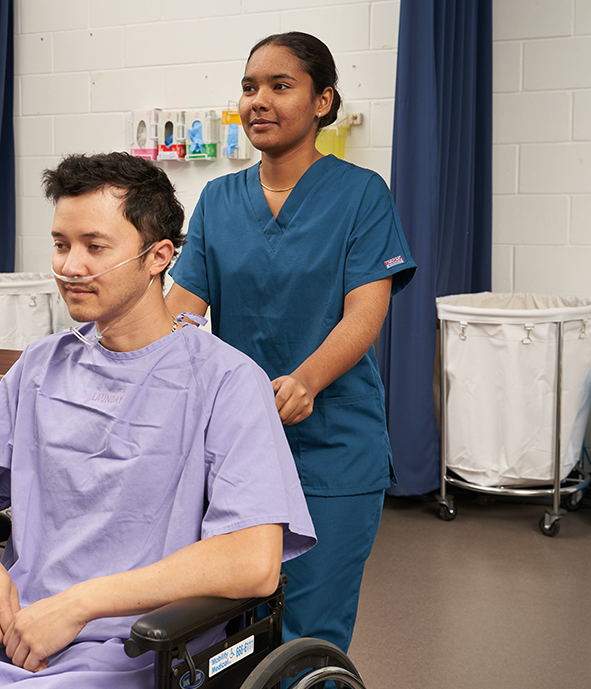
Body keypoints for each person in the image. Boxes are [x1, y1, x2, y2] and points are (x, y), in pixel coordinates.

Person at [0, 152, 315, 688]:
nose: (70, 266)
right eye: (61, 244)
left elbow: (254, 561)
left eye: (95, 247)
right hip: (3, 638)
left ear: (158, 257)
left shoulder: (224, 380)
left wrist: (80, 605)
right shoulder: (41, 366)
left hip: (138, 650)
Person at [166, 32, 416, 654]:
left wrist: (306, 380)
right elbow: (181, 312)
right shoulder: (220, 199)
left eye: (281, 86)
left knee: (307, 627)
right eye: (250, 87)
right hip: (236, 443)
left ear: (323, 102)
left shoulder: (362, 194)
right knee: (228, 622)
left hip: (333, 446)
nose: (259, 100)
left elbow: (365, 311)